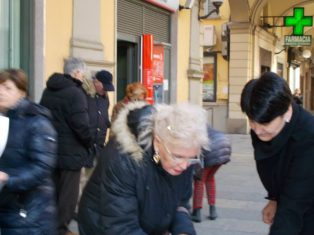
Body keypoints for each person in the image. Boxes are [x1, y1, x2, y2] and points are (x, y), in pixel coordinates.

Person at [78, 101, 209, 235]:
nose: (185, 165)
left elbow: (180, 203)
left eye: (192, 157)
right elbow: (121, 227)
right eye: (178, 156)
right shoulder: (123, 158)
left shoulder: (183, 155)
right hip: (101, 227)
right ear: (158, 143)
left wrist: (183, 230)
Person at [240, 71, 314, 235]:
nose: (257, 130)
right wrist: (274, 198)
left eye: (265, 123)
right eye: (252, 121)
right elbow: (270, 166)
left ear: (286, 111)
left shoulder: (309, 136)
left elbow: (293, 205)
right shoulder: (261, 125)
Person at [0, 69, 57, 234]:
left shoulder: (37, 122)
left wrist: (8, 179)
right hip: (7, 208)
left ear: (21, 93)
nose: (1, 92)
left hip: (29, 213)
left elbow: (42, 168)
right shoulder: (4, 119)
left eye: (7, 88)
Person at [40, 57, 93, 235]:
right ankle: (61, 229)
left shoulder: (48, 90)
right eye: (82, 73)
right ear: (77, 73)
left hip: (51, 150)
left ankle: (50, 226)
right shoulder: (76, 93)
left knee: (54, 192)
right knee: (68, 196)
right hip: (72, 152)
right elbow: (81, 126)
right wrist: (90, 142)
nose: (83, 76)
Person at [191, 126, 231, 222]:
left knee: (199, 180)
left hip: (212, 150)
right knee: (209, 178)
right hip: (224, 146)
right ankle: (213, 210)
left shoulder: (192, 127)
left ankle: (197, 212)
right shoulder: (201, 124)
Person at [82, 70, 115, 167]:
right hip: (86, 149)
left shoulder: (105, 98)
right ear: (96, 82)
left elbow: (103, 116)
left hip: (99, 150)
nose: (105, 90)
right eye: (104, 87)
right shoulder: (84, 94)